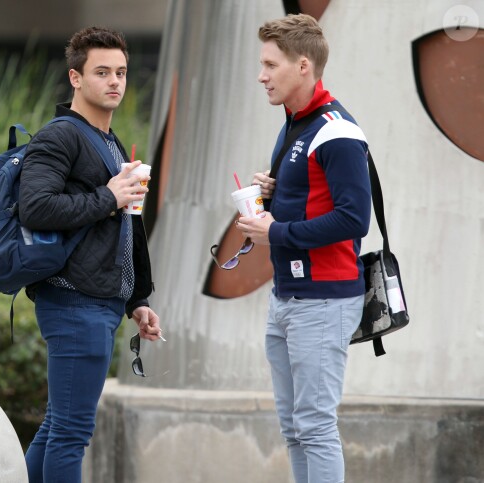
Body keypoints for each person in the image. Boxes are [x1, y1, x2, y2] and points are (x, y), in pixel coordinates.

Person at [18, 26, 163, 483]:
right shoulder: (60, 137)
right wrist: (109, 195)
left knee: (57, 427)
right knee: (71, 432)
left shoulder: (109, 140)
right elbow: (36, 207)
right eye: (102, 72)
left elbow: (123, 226)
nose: (115, 81)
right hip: (74, 301)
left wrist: (136, 299)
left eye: (120, 72)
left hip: (98, 303)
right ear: (76, 78)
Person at [235, 14, 371, 483]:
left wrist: (275, 232)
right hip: (288, 296)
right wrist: (274, 195)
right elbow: (314, 199)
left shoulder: (337, 130)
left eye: (271, 65)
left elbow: (355, 220)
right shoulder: (294, 122)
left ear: (303, 66)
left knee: (314, 428)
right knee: (295, 429)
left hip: (324, 299)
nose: (262, 75)